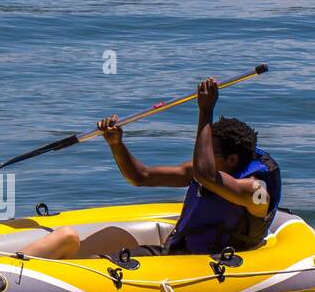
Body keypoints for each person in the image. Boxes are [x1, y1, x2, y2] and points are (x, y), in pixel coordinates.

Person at [97, 77, 280, 255]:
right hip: (178, 256)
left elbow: (206, 176)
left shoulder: (256, 191)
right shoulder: (199, 172)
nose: (203, 155)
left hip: (217, 265)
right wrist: (116, 144)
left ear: (231, 160)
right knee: (99, 260)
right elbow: (140, 177)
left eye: (209, 151)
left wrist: (206, 110)